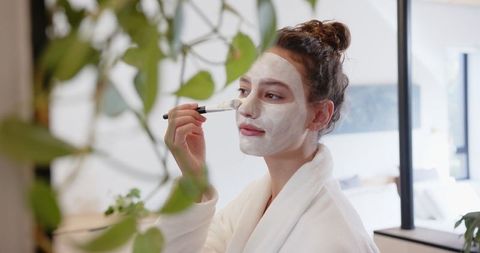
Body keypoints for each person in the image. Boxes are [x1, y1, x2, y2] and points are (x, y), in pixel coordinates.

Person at [161, 19, 380, 252]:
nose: (246, 108)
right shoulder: (255, 200)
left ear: (319, 115)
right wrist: (193, 179)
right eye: (244, 90)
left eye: (273, 95)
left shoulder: (335, 240)